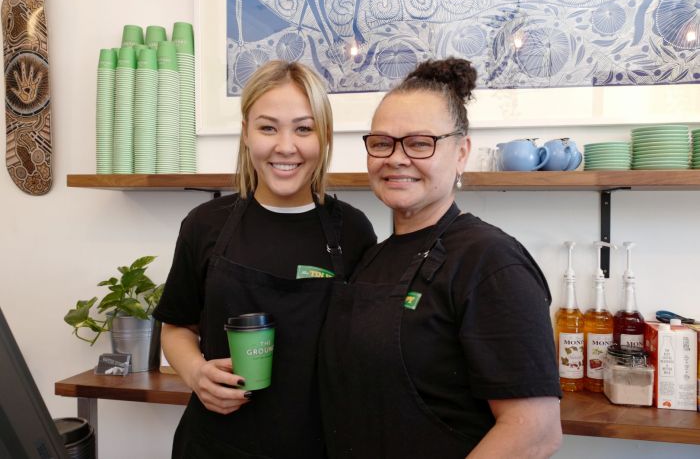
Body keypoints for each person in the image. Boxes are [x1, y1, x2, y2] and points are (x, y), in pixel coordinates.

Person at [319, 58, 562, 458]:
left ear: (461, 153)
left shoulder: (491, 262)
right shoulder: (371, 257)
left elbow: (534, 432)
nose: (396, 158)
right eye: (382, 142)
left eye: (419, 143)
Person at [154, 60, 376, 459]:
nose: (285, 146)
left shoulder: (354, 232)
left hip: (318, 445)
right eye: (268, 127)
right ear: (245, 133)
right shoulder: (205, 225)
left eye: (303, 128)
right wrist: (196, 374)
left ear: (324, 138)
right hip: (215, 445)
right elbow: (176, 326)